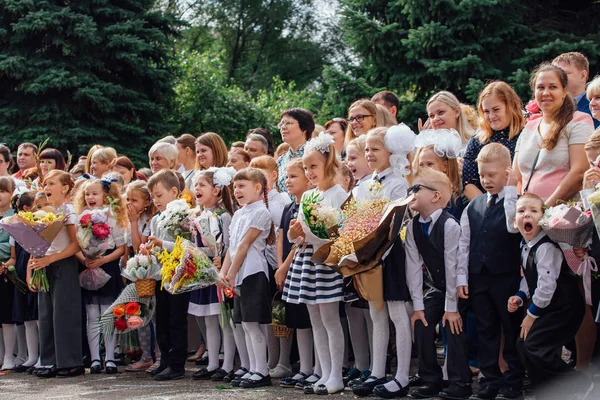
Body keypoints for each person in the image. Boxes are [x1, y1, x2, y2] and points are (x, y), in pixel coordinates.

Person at [456, 144, 524, 400]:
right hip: (479, 277)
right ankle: (490, 379)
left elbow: (512, 226)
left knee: (510, 327)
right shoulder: (472, 207)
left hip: (506, 276)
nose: (486, 181)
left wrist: (512, 187)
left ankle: (513, 381)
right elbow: (464, 245)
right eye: (483, 175)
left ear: (507, 173)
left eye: (492, 175)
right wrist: (462, 277)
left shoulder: (514, 202)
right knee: (486, 329)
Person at [351, 125, 414, 398]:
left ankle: (401, 376)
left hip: (393, 253)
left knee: (398, 315)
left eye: (375, 149)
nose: (369, 154)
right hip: (371, 257)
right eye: (366, 149)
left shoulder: (398, 182)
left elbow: (392, 221)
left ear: (392, 151)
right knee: (377, 314)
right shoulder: (365, 184)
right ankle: (377, 372)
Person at [284, 132, 348, 395]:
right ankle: (322, 372)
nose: (309, 172)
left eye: (313, 166)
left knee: (331, 320)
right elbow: (296, 237)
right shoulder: (308, 197)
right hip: (307, 261)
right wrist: (294, 232)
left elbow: (344, 233)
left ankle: (336, 374)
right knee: (316, 320)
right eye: (306, 167)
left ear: (328, 165)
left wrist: (322, 233)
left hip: (327, 263)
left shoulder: (338, 194)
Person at [509, 193, 587, 399]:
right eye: (521, 211)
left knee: (535, 346)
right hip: (549, 308)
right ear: (514, 222)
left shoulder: (545, 247)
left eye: (534, 211)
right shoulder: (526, 246)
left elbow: (546, 286)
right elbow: (529, 276)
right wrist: (519, 294)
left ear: (543, 220)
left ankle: (578, 383)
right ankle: (544, 388)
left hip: (564, 308)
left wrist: (531, 315)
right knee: (523, 345)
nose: (527, 215)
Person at [405, 168, 472, 400]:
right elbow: (413, 267)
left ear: (435, 196)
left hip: (456, 288)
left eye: (417, 188)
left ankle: (460, 382)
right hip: (436, 287)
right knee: (422, 324)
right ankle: (430, 379)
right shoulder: (413, 226)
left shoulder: (450, 225)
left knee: (453, 327)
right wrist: (418, 306)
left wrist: (451, 308)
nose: (411, 192)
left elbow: (454, 266)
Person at [219, 168, 276, 389]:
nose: (237, 191)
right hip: (238, 274)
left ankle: (262, 371)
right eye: (235, 187)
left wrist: (231, 274)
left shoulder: (261, 212)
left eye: (242, 186)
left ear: (258, 187)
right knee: (244, 324)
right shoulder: (240, 213)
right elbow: (231, 248)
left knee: (253, 324)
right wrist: (223, 274)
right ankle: (253, 368)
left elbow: (244, 245)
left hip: (252, 273)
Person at [28, 170, 84, 378]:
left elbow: (76, 245)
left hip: (63, 264)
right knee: (46, 314)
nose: (47, 187)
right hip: (45, 265)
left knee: (64, 313)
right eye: (45, 183)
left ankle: (70, 361)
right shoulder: (47, 211)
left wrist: (50, 259)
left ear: (65, 188)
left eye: (52, 183)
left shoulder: (68, 211)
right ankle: (49, 360)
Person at [513, 63, 594, 206]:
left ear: (564, 91)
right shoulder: (528, 127)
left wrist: (544, 211)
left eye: (553, 87)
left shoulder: (579, 121)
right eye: (540, 87)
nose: (545, 93)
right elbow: (517, 177)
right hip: (529, 218)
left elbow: (579, 172)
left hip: (562, 217)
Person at [74, 178, 127, 375]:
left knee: (108, 314)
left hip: (108, 266)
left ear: (106, 195)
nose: (90, 197)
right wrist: (84, 259)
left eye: (94, 193)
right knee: (92, 315)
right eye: (87, 194)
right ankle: (95, 358)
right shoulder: (82, 218)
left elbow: (121, 248)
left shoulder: (113, 217)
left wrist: (102, 260)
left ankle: (111, 357)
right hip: (88, 267)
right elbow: (76, 245)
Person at [189, 168, 237, 382]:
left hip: (219, 272)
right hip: (204, 273)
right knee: (209, 321)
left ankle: (227, 364)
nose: (197, 188)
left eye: (202, 185)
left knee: (224, 320)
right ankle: (212, 363)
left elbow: (227, 246)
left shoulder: (224, 216)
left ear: (217, 191)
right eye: (196, 185)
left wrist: (217, 257)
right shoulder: (197, 216)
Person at [249, 155, 292, 379]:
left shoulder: (281, 200)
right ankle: (271, 359)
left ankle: (284, 360)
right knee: (268, 313)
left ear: (274, 175)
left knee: (281, 312)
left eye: (262, 172)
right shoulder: (255, 202)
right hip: (262, 261)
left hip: (278, 261)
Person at [275, 158, 316, 390]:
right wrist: (281, 266)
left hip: (304, 268)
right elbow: (283, 237)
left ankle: (314, 368)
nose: (288, 181)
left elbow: (299, 243)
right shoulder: (289, 207)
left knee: (310, 321)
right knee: (298, 322)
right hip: (290, 270)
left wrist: (284, 267)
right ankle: (304, 369)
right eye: (286, 176)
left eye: (293, 176)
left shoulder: (309, 205)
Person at [146, 170, 189, 381]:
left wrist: (163, 244)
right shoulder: (156, 219)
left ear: (174, 191)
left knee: (176, 319)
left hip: (180, 274)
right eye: (153, 197)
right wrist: (149, 251)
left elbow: (187, 245)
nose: (156, 200)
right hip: (161, 273)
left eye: (159, 195)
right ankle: (164, 359)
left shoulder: (185, 214)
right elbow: (155, 245)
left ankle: (177, 364)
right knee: (161, 319)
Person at [462, 81, 524, 200]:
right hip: (485, 205)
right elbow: (468, 183)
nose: (491, 116)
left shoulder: (525, 136)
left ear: (510, 107)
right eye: (486, 111)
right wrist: (489, 210)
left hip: (519, 203)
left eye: (496, 110)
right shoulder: (478, 141)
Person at [122, 181, 157, 373]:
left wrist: (134, 222)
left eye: (134, 200)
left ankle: (156, 355)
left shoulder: (147, 220)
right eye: (127, 199)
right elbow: (128, 249)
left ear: (146, 201)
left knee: (152, 316)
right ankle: (146, 355)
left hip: (148, 272)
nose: (129, 203)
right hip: (135, 272)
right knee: (139, 316)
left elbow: (138, 246)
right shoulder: (131, 219)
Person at [7, 191, 39, 373]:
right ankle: (31, 356)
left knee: (37, 315)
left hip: (36, 269)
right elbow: (13, 256)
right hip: (21, 273)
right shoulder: (16, 229)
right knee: (27, 317)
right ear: (27, 209)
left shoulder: (41, 227)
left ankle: (41, 354)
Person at [414, 129, 466, 220]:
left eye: (430, 164)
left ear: (444, 166)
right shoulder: (418, 194)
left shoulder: (455, 199)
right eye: (421, 165)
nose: (425, 169)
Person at [553, 52, 599, 129]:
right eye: (554, 74)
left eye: (563, 73)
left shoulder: (595, 108)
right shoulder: (547, 107)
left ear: (582, 75)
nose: (556, 78)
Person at [0, 177, 17, 371]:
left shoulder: (14, 217)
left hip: (7, 269)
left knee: (6, 315)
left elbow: (10, 247)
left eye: (3, 191)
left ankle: (9, 355)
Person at [276, 108, 314, 194]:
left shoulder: (315, 155)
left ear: (304, 128)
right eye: (281, 124)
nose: (283, 127)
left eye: (288, 123)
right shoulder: (280, 160)